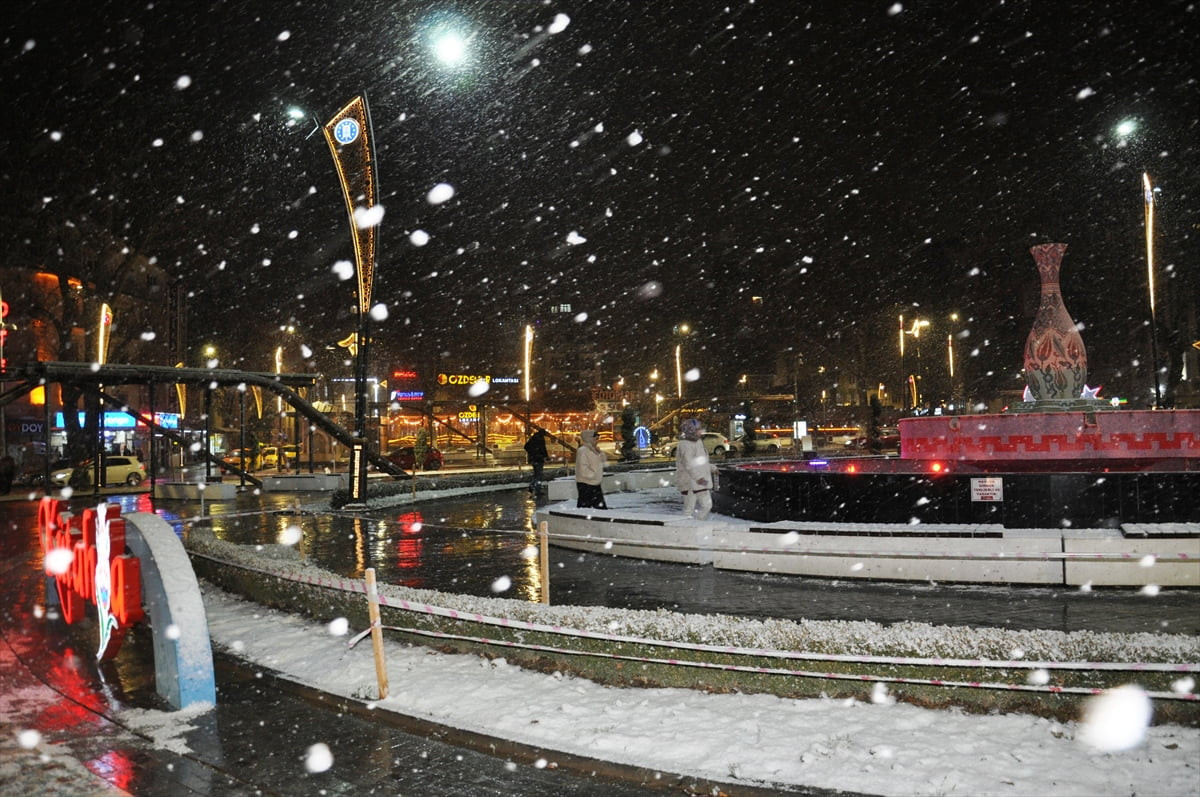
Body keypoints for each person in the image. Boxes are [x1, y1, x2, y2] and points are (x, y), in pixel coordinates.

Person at [674, 418, 715, 520]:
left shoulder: (698, 442)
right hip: (691, 481)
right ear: (692, 430)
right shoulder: (685, 445)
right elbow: (688, 464)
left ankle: (697, 526)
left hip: (699, 480)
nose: (701, 431)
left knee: (706, 505)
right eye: (698, 429)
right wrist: (699, 478)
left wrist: (712, 468)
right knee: (689, 509)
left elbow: (701, 461)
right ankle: (690, 528)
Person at [574, 430, 608, 509]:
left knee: (599, 508)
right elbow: (583, 467)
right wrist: (593, 475)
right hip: (586, 483)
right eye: (595, 439)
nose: (597, 441)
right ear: (589, 439)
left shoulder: (594, 449)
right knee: (585, 508)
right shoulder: (583, 450)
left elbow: (603, 460)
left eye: (597, 439)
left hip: (594, 483)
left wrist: (600, 452)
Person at [523, 428, 549, 494]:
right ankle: (537, 489)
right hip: (539, 459)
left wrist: (532, 453)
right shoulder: (540, 439)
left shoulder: (533, 438)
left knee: (536, 474)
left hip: (533, 459)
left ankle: (532, 486)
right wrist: (545, 456)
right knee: (539, 475)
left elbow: (526, 446)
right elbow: (543, 449)